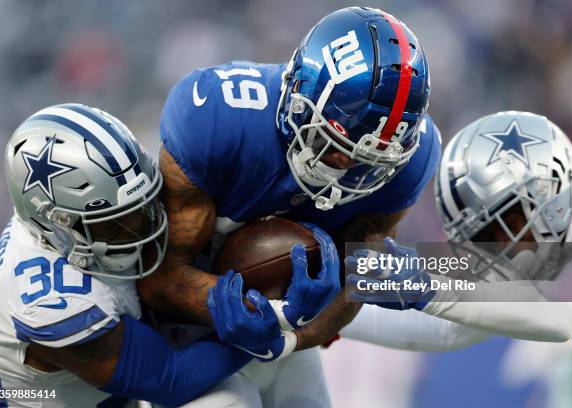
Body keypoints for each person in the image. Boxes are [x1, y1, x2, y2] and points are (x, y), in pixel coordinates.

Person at [137, 6, 440, 407]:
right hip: (179, 330)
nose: (349, 175)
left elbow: (349, 287)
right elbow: (159, 279)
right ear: (299, 98)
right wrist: (249, 309)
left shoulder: (410, 163)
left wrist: (292, 330)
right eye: (336, 150)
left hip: (290, 333)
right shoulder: (218, 120)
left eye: (373, 165)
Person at [0, 103, 305, 407]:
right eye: (114, 224)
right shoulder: (50, 301)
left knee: (293, 352)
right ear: (57, 224)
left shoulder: (338, 177)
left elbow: (353, 272)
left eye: (144, 208)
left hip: (140, 366)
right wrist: (281, 326)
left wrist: (339, 281)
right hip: (62, 402)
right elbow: (171, 379)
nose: (143, 230)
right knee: (228, 396)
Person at [343, 111, 572, 358]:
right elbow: (446, 330)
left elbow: (565, 312)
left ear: (551, 187)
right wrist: (322, 310)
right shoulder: (545, 246)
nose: (505, 245)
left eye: (512, 222)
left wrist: (427, 287)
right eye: (486, 236)